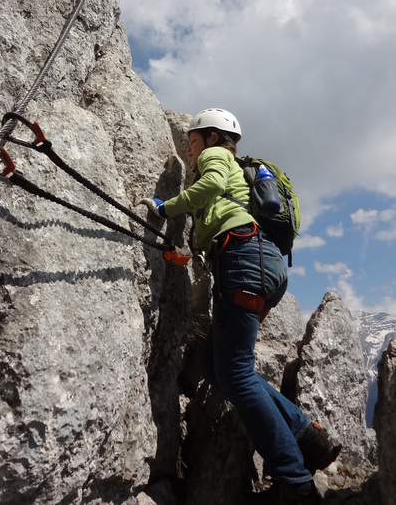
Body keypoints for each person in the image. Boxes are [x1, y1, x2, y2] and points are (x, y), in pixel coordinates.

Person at [141, 108, 341, 504]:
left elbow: (212, 184)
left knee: (234, 373)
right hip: (264, 265)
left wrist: (166, 208)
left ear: (213, 137)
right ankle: (310, 438)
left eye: (193, 140)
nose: (189, 148)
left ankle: (294, 481)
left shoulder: (218, 156)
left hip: (244, 257)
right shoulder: (235, 168)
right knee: (218, 369)